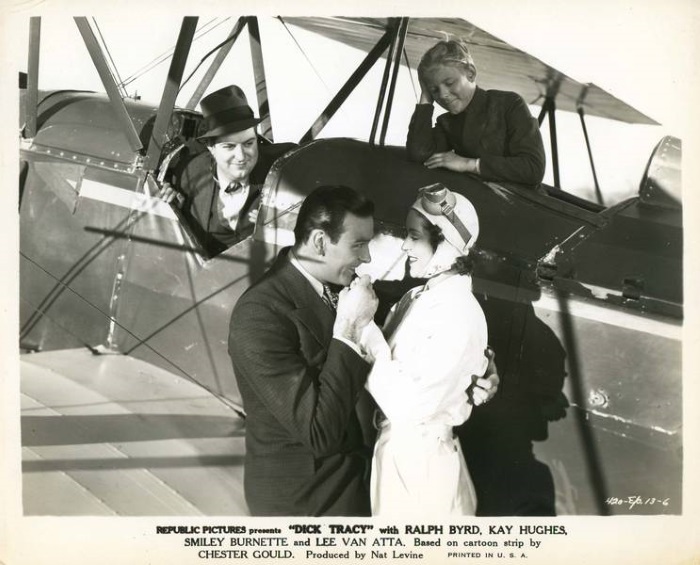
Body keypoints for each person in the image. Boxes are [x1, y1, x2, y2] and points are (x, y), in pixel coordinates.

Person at [228, 185, 379, 516]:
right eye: (359, 245)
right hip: (307, 504)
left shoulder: (335, 286)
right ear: (321, 243)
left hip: (351, 485)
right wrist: (349, 328)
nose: (367, 257)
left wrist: (476, 370)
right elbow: (318, 432)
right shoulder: (260, 314)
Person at [360, 182, 497, 517]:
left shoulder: (457, 312)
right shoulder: (420, 297)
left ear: (446, 244)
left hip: (422, 469)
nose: (404, 245)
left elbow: (408, 404)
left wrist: (361, 326)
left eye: (414, 236)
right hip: (403, 456)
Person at [160, 84, 295, 256]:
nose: (241, 156)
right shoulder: (187, 174)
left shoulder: (281, 170)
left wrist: (285, 222)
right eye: (229, 146)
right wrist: (170, 205)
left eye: (248, 144)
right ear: (211, 147)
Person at [406, 39, 546, 186]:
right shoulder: (447, 122)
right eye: (435, 90)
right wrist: (426, 98)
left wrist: (469, 164)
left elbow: (533, 168)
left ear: (471, 73)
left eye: (449, 83)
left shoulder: (509, 104)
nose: (442, 95)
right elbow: (419, 154)